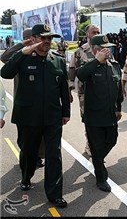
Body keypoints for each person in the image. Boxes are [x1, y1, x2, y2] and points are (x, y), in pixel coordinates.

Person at [1, 23, 70, 208]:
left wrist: (66, 112)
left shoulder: (58, 60)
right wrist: (21, 52)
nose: (47, 41)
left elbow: (64, 88)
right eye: (43, 37)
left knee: (54, 155)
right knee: (28, 151)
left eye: (50, 38)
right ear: (34, 39)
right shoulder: (23, 58)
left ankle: (55, 194)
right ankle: (26, 177)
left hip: (52, 116)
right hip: (27, 117)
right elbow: (5, 73)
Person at [76, 34, 123, 192]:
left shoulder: (115, 65)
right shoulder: (89, 65)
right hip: (94, 116)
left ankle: (98, 160)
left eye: (108, 48)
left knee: (112, 140)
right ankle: (101, 178)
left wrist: (119, 108)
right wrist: (97, 60)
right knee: (96, 147)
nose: (108, 50)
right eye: (104, 48)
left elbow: (118, 91)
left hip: (110, 114)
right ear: (96, 50)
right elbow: (80, 75)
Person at [1, 28, 45, 168]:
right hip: (24, 100)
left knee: (41, 132)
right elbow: (4, 57)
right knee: (25, 134)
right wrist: (21, 46)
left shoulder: (41, 52)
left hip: (41, 99)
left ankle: (37, 156)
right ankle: (26, 156)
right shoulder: (19, 55)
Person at [68, 24, 100, 156]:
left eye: (98, 32)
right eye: (94, 32)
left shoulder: (104, 50)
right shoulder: (80, 52)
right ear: (87, 34)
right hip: (85, 92)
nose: (96, 34)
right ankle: (90, 144)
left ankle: (97, 143)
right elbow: (71, 70)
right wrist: (69, 89)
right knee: (88, 119)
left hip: (101, 92)